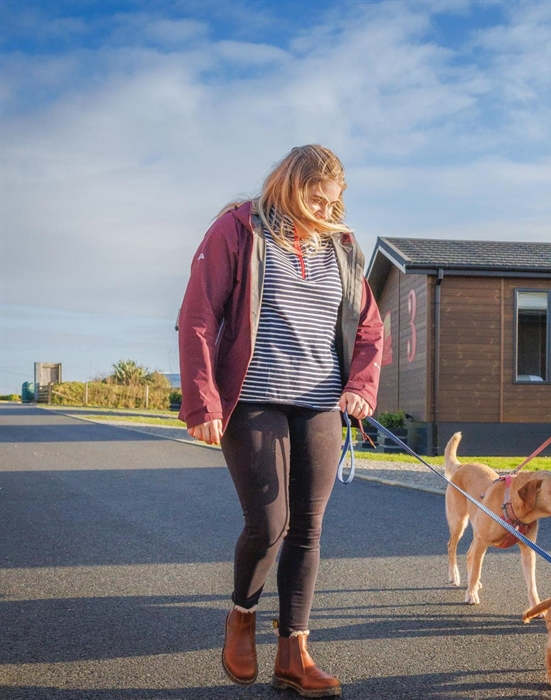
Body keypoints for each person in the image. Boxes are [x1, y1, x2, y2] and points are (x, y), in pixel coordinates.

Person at [177, 145, 383, 697]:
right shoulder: (238, 229)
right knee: (269, 524)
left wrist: (360, 388)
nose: (324, 210)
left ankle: (294, 652)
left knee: (309, 529)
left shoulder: (342, 246)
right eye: (314, 198)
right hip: (253, 399)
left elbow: (369, 328)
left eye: (332, 202)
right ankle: (242, 616)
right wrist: (203, 401)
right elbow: (198, 316)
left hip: (319, 402)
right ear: (288, 185)